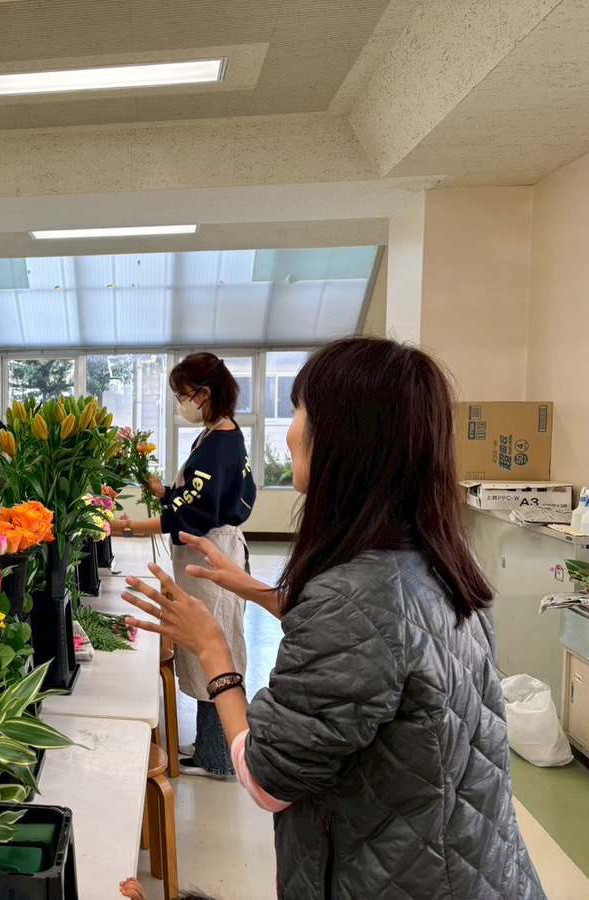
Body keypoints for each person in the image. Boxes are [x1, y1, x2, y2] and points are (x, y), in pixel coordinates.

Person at [122, 338, 545, 899]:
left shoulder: (353, 598)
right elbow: (378, 643)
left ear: (347, 438)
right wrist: (254, 588)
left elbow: (268, 779)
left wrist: (214, 651)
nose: (290, 432)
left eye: (300, 411)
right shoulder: (440, 563)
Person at [116, 353, 255, 778]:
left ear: (204, 394)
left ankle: (218, 756)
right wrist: (161, 489)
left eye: (182, 395)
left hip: (208, 553)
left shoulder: (218, 445)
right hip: (207, 549)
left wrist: (123, 527)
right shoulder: (218, 434)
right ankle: (212, 746)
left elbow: (189, 517)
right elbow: (190, 497)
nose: (181, 404)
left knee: (212, 645)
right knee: (205, 645)